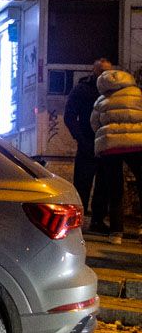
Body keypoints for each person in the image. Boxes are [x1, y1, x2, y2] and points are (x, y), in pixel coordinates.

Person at [89, 68, 142, 244]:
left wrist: (106, 135)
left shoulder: (101, 100)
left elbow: (94, 123)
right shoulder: (137, 93)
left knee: (115, 189)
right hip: (137, 144)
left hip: (110, 147)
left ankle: (116, 232)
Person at [64, 57, 113, 221]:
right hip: (88, 143)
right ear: (95, 72)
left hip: (107, 144)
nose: (105, 75)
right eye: (102, 72)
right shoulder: (82, 89)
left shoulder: (112, 91)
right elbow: (69, 116)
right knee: (82, 185)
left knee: (104, 185)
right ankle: (79, 221)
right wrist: (81, 139)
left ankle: (98, 220)